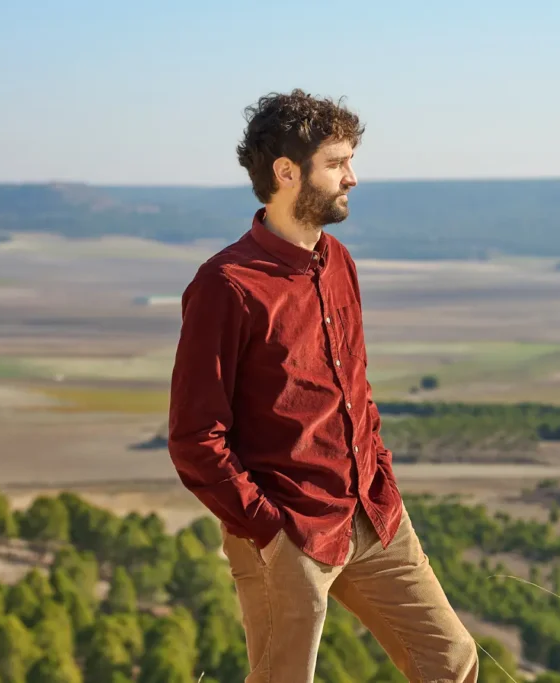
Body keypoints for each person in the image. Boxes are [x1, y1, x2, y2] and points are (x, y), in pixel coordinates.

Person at [167, 89, 479, 682]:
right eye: (337, 163)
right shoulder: (226, 285)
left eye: (351, 160)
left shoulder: (338, 262)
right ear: (286, 173)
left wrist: (379, 473)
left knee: (450, 658)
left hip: (371, 511)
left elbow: (355, 393)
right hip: (285, 531)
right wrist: (266, 528)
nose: (353, 178)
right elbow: (194, 437)